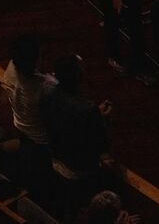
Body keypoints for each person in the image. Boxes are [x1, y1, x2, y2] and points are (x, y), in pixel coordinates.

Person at [41, 54, 111, 214]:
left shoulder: (47, 92)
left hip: (54, 153)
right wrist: (103, 118)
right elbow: (100, 142)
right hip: (79, 166)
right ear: (79, 76)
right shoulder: (88, 108)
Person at [2, 34, 56, 195]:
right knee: (40, 170)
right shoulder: (47, 87)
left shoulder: (12, 69)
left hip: (21, 125)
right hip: (42, 138)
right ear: (34, 60)